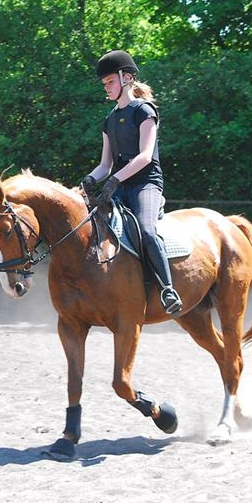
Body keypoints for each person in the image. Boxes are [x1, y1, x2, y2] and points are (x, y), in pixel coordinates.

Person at [81, 50, 183, 315]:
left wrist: (114, 179)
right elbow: (105, 164)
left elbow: (145, 156)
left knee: (147, 230)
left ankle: (167, 289)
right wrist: (89, 179)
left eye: (110, 82)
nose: (106, 87)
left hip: (146, 184)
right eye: (104, 84)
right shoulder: (109, 120)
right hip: (120, 186)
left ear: (126, 78)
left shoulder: (144, 111)